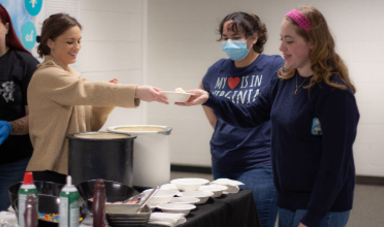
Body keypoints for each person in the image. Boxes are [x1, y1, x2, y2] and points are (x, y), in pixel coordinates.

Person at [179, 6, 359, 227]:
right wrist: (210, 99)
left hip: (320, 206)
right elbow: (250, 115)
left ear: (313, 42)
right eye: (282, 39)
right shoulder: (284, 80)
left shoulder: (334, 93)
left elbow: (335, 165)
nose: (281, 47)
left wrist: (312, 217)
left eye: (290, 41)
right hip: (290, 198)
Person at [26, 13, 168, 184]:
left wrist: (108, 99)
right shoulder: (47, 76)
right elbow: (88, 89)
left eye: (79, 41)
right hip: (50, 170)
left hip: (73, 167)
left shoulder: (69, 77)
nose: (77, 47)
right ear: (50, 42)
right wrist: (135, 91)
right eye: (70, 42)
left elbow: (89, 126)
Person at [199, 12, 284, 227]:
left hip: (260, 161)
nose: (229, 43)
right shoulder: (218, 69)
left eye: (236, 37)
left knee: (255, 222)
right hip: (223, 158)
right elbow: (203, 91)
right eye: (226, 38)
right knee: (226, 221)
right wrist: (217, 124)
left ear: (254, 37)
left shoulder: (273, 66)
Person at [0, 4, 39, 211]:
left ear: (6, 27)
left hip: (14, 161)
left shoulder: (25, 64)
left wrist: (9, 126)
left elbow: (36, 117)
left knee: (8, 216)